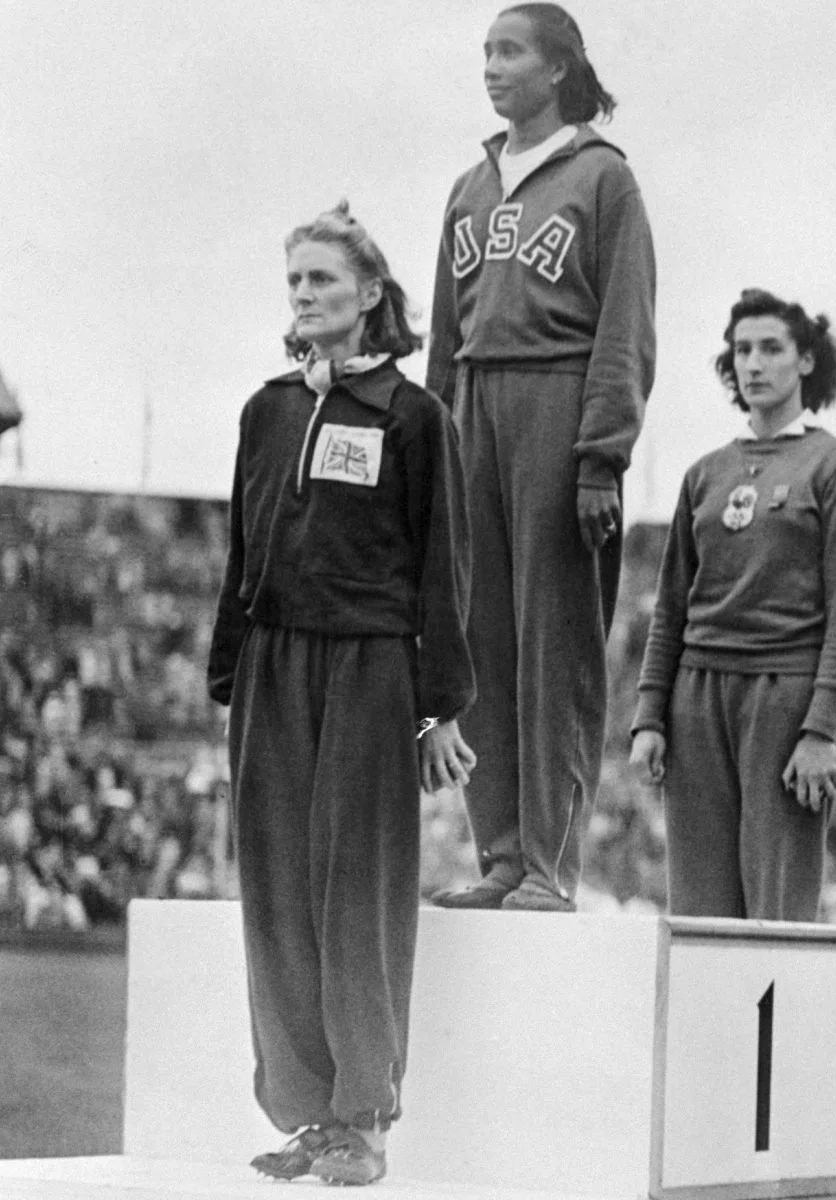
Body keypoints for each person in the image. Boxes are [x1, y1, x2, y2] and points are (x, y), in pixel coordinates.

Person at [207, 202, 475, 1186]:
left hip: (370, 669)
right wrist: (231, 672)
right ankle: (309, 1115)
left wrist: (440, 704)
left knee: (352, 896)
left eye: (323, 279)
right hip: (273, 667)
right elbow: (242, 554)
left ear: (370, 295)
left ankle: (365, 1121)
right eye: (295, 282)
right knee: (276, 894)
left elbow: (446, 565)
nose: (306, 296)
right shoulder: (267, 409)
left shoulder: (414, 417)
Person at [427, 2, 655, 913]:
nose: (491, 66)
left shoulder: (604, 179)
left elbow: (625, 325)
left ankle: (552, 866)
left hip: (560, 405)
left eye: (510, 51)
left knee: (552, 641)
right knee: (480, 636)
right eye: (485, 50)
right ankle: (502, 855)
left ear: (558, 69)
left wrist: (601, 454)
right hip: (475, 405)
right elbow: (446, 333)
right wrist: (434, 446)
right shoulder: (469, 186)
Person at [629, 289, 836, 922]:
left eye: (771, 348)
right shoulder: (705, 474)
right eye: (742, 350)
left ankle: (779, 1026)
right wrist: (650, 716)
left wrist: (821, 728)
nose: (754, 363)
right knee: (700, 909)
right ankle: (707, 1027)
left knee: (777, 906)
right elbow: (671, 610)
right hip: (697, 695)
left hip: (785, 697)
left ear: (805, 363)